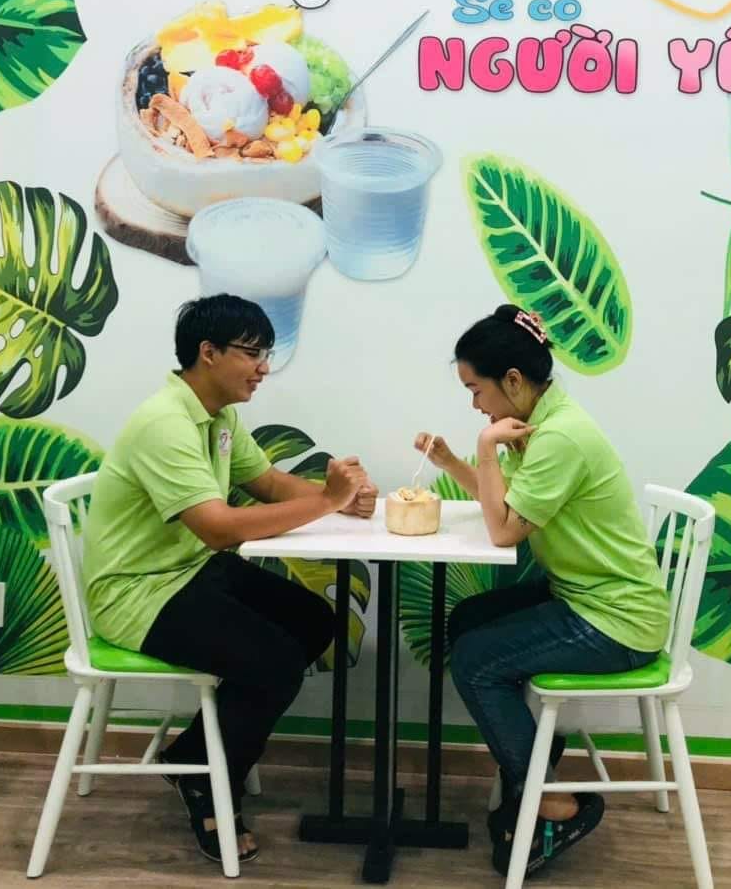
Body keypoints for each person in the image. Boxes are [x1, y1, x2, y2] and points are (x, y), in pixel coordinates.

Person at [83, 294, 378, 864]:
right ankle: (207, 783)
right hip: (136, 593)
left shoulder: (218, 415)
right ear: (208, 353)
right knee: (274, 663)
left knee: (314, 620)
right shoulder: (165, 424)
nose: (263, 367)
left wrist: (342, 499)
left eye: (267, 354)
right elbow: (218, 529)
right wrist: (326, 502)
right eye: (251, 353)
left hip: (188, 570)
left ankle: (193, 756)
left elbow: (266, 483)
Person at [415, 304, 669, 878]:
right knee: (468, 620)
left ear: (512, 381)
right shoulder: (541, 424)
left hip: (617, 621)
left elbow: (503, 530)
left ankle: (555, 803)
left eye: (475, 390)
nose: (475, 405)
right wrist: (454, 461)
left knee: (476, 661)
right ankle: (528, 760)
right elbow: (506, 506)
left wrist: (484, 447)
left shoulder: (559, 438)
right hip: (587, 596)